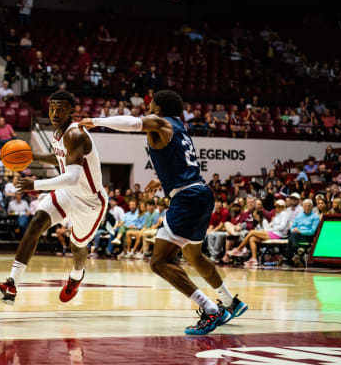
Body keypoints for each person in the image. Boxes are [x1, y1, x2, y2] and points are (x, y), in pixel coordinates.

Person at [80, 90, 247, 335]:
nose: (148, 111)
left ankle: (211, 309)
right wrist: (163, 179)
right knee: (194, 255)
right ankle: (230, 301)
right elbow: (179, 159)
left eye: (150, 107)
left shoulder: (161, 122)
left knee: (159, 263)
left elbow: (132, 123)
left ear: (157, 109)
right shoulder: (179, 126)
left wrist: (95, 121)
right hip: (199, 193)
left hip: (187, 198)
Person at [0, 91, 108, 305]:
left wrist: (35, 185)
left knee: (77, 246)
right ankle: (11, 285)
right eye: (52, 108)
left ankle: (76, 276)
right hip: (67, 194)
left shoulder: (75, 134)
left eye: (61, 109)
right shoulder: (58, 134)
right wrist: (32, 156)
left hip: (90, 202)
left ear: (72, 111)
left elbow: (72, 177)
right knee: (36, 223)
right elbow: (60, 157)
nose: (55, 112)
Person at [228, 200, 290, 266]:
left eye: (278, 206)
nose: (276, 208)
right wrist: (270, 228)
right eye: (276, 206)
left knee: (252, 232)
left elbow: (282, 226)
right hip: (273, 233)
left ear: (282, 207)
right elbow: (271, 225)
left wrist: (270, 230)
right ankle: (254, 259)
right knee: (252, 238)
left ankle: (238, 249)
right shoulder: (278, 215)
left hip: (278, 235)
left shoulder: (285, 214)